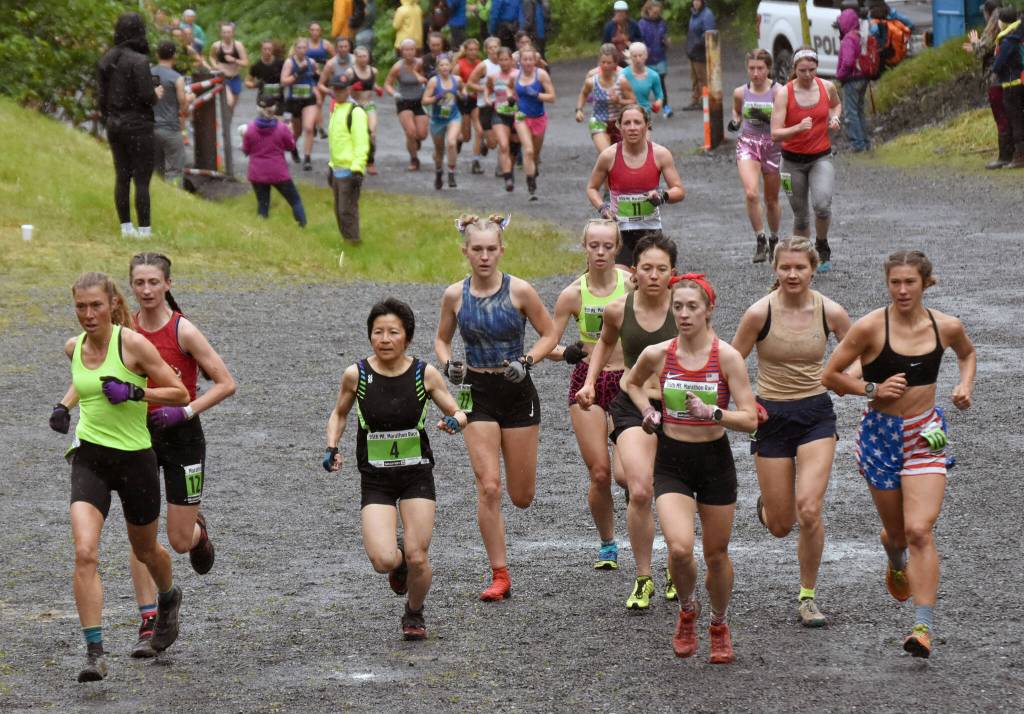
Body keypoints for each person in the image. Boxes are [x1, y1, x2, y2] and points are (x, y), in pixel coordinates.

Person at [822, 251, 976, 658]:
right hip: (881, 435)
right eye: (896, 282)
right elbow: (830, 376)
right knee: (897, 532)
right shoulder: (870, 328)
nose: (903, 290)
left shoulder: (946, 326)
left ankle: (922, 628)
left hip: (925, 433)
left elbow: (967, 353)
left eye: (910, 282)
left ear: (925, 283)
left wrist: (964, 386)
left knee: (920, 530)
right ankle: (894, 560)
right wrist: (871, 390)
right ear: (887, 284)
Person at [51, 272, 189, 681]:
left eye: (95, 306)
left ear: (112, 304)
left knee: (147, 550)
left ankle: (168, 597)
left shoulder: (132, 344)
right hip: (90, 458)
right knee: (85, 552)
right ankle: (94, 652)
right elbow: (85, 380)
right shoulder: (73, 347)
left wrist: (135, 393)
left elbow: (179, 393)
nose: (88, 314)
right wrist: (63, 405)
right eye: (80, 306)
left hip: (135, 460)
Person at [625, 273, 757, 662]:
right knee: (681, 549)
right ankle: (687, 610)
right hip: (672, 462)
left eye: (691, 307)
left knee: (716, 555)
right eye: (677, 307)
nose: (683, 314)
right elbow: (630, 384)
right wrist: (648, 411)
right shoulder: (659, 353)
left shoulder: (727, 357)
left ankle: (718, 623)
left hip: (715, 462)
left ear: (709, 311)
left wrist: (714, 412)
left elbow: (750, 418)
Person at [324, 298, 468, 640]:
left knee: (419, 557)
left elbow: (460, 410)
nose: (384, 339)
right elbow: (340, 413)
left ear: (407, 337)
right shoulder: (356, 374)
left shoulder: (424, 373)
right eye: (378, 332)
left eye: (393, 332)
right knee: (384, 561)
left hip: (416, 475)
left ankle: (414, 612)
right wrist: (332, 446)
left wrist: (454, 421)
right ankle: (398, 560)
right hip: (376, 479)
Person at [434, 214, 557, 601]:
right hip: (476, 393)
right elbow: (441, 338)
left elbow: (550, 333)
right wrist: (449, 361)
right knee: (488, 486)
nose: (484, 257)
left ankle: (502, 564)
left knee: (521, 497)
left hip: (517, 390)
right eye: (477, 250)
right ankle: (499, 574)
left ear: (502, 250)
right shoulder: (455, 295)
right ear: (465, 251)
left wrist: (529, 361)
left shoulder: (520, 291)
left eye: (491, 249)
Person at [730, 237, 852, 628]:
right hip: (772, 417)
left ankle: (807, 596)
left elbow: (864, 356)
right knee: (782, 525)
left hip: (816, 414)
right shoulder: (758, 314)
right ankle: (768, 508)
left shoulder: (830, 312)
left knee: (810, 509)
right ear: (775, 269)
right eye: (786, 267)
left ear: (813, 270)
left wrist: (849, 382)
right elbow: (731, 364)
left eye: (800, 267)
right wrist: (745, 406)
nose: (793, 274)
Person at [120, 253, 236, 657]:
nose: (147, 290)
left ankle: (198, 533)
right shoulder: (124, 331)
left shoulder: (183, 330)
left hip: (183, 436)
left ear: (168, 283)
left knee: (179, 540)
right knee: (141, 534)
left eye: (154, 282)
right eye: (140, 283)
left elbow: (225, 383)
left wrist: (184, 410)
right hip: (135, 436)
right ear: (131, 287)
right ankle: (150, 618)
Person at [576, 234, 678, 611]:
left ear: (673, 273)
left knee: (676, 492)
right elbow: (604, 343)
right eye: (646, 268)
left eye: (661, 269)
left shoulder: (685, 308)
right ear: (634, 271)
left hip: (678, 407)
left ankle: (676, 564)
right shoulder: (619, 309)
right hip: (633, 403)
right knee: (639, 490)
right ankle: (644, 577)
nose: (653, 275)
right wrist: (589, 383)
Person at [549, 220, 631, 569]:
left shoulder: (632, 284)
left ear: (616, 248)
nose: (600, 252)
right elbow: (546, 344)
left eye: (607, 246)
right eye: (593, 246)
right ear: (584, 247)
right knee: (600, 473)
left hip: (629, 380)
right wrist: (568, 353)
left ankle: (635, 497)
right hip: (588, 383)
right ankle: (608, 543)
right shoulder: (572, 294)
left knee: (625, 475)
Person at [586, 104, 685, 268]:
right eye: (627, 123)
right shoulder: (609, 156)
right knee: (621, 279)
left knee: (651, 276)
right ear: (619, 126)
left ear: (647, 125)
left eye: (637, 122)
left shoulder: (660, 154)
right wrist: (603, 208)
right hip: (619, 230)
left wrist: (662, 196)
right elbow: (591, 188)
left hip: (650, 228)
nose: (632, 128)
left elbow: (679, 190)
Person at [770, 48, 842, 273]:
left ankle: (821, 245)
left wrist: (835, 117)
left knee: (822, 205)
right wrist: (798, 128)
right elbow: (775, 133)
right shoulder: (785, 93)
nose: (808, 75)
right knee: (800, 217)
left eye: (812, 70)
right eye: (802, 71)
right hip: (791, 162)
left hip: (821, 157)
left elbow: (835, 105)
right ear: (794, 69)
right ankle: (801, 260)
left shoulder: (827, 86)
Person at [97, 12, 160, 239]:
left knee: (122, 176)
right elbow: (146, 95)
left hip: (114, 124)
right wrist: (157, 94)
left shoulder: (107, 59)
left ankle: (125, 227)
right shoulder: (139, 60)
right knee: (142, 178)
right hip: (138, 125)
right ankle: (144, 229)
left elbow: (102, 98)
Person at [730, 49, 782, 263]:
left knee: (771, 199)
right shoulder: (740, 92)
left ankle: (774, 239)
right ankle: (760, 238)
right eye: (752, 68)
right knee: (751, 193)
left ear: (768, 68)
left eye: (760, 68)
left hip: (773, 145)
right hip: (748, 143)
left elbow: (786, 117)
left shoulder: (779, 92)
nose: (756, 73)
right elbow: (736, 111)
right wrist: (735, 121)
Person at [242, 94, 308, 227]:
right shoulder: (281, 128)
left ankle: (262, 232)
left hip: (257, 173)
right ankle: (303, 227)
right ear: (274, 108)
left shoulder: (249, 129)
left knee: (263, 204)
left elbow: (246, 151)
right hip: (278, 172)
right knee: (295, 201)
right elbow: (291, 146)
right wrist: (290, 132)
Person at [963, 1, 1013, 168]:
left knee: (1001, 115)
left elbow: (983, 49)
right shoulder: (1011, 25)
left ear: (988, 12)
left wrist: (976, 43)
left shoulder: (994, 25)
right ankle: (1014, 153)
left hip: (997, 79)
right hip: (1012, 77)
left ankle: (1005, 156)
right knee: (1012, 115)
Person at [328, 75, 370, 244]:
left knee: (347, 211)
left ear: (348, 90)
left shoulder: (356, 112)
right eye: (335, 89)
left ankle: (353, 242)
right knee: (339, 211)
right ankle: (347, 241)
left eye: (341, 89)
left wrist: (357, 168)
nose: (337, 92)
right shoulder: (336, 109)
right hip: (337, 169)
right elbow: (336, 141)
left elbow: (361, 143)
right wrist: (331, 165)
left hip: (350, 171)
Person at [511, 46, 555, 200]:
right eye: (525, 59)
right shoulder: (515, 76)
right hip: (522, 117)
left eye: (531, 59)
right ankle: (530, 181)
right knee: (528, 150)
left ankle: (533, 169)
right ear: (520, 61)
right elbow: (511, 92)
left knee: (535, 153)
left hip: (539, 118)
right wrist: (511, 101)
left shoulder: (541, 75)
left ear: (535, 60)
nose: (528, 62)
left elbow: (552, 97)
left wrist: (537, 94)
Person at [576, 45, 636, 153]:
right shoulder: (592, 81)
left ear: (615, 64)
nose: (606, 66)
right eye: (603, 62)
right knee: (607, 154)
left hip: (619, 122)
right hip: (598, 121)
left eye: (609, 63)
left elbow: (633, 101)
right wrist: (579, 110)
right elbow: (583, 94)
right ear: (599, 63)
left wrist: (620, 101)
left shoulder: (622, 80)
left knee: (622, 157)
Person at [384, 39, 429, 171]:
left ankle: (416, 141)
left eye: (411, 49)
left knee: (422, 134)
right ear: (401, 52)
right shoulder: (398, 67)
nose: (409, 52)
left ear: (416, 51)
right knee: (410, 132)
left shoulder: (421, 63)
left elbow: (431, 77)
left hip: (420, 101)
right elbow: (387, 83)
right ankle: (414, 159)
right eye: (406, 50)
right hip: (404, 101)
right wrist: (394, 93)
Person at [423, 54, 466, 189]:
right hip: (437, 119)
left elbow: (463, 89)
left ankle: (451, 173)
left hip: (453, 116)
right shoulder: (434, 82)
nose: (444, 67)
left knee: (452, 143)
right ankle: (438, 172)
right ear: (437, 67)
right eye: (441, 65)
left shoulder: (457, 79)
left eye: (447, 64)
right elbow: (424, 100)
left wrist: (462, 95)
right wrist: (437, 97)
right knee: (439, 150)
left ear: (450, 66)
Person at [151, 41, 189, 188]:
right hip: (170, 128)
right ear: (174, 56)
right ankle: (175, 196)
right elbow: (182, 103)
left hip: (151, 127)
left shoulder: (151, 73)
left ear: (157, 54)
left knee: (156, 168)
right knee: (175, 169)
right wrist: (187, 102)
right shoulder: (177, 78)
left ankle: (157, 196)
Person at [281, 38, 321, 171]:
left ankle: (307, 159)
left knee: (309, 128)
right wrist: (297, 73)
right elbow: (284, 82)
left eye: (304, 48)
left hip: (309, 99)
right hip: (294, 101)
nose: (302, 50)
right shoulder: (289, 62)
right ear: (295, 48)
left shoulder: (312, 62)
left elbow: (317, 78)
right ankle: (293, 148)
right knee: (296, 132)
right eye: (299, 48)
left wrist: (316, 77)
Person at [992, 7, 1024, 168]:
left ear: (1003, 22)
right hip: (1020, 82)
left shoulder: (1008, 40)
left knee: (1015, 119)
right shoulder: (1018, 35)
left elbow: (997, 66)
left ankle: (1019, 157)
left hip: (1011, 84)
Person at [835, 8, 870, 153]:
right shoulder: (859, 36)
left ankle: (858, 144)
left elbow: (848, 61)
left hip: (851, 79)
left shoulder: (849, 39)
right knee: (859, 111)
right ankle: (865, 142)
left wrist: (840, 74)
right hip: (863, 77)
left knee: (850, 113)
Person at [484, 46, 518, 190]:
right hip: (499, 113)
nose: (504, 63)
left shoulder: (518, 75)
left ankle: (510, 167)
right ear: (497, 61)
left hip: (517, 114)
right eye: (501, 60)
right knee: (503, 145)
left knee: (515, 146)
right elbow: (488, 88)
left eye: (506, 59)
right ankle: (508, 178)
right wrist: (487, 97)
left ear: (511, 60)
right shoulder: (493, 76)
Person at [349, 46, 381, 175]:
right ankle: (355, 159)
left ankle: (371, 161)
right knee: (357, 134)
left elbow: (372, 84)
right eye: (360, 56)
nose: (363, 59)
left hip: (368, 105)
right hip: (355, 105)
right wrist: (352, 87)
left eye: (365, 56)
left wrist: (377, 88)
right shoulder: (350, 72)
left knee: (372, 133)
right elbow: (343, 91)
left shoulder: (374, 71)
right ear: (355, 58)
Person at [455, 39, 485, 174]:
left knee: (479, 131)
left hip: (476, 100)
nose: (473, 52)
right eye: (470, 50)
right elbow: (453, 85)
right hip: (463, 101)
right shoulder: (459, 65)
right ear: (465, 51)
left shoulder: (480, 64)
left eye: (475, 50)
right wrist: (461, 92)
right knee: (466, 137)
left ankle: (476, 161)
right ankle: (459, 140)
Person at [639, 0, 672, 116]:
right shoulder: (642, 23)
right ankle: (643, 108)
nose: (656, 15)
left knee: (661, 82)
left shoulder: (662, 22)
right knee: (646, 84)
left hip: (660, 57)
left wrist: (666, 42)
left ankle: (665, 106)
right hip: (647, 59)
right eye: (654, 12)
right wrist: (644, 50)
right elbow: (639, 40)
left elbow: (664, 36)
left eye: (658, 12)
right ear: (648, 11)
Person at [208, 22, 248, 112]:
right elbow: (211, 56)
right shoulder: (216, 45)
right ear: (221, 34)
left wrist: (234, 60)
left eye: (229, 32)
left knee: (232, 107)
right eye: (224, 32)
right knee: (229, 102)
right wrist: (215, 66)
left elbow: (245, 63)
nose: (226, 35)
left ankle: (227, 124)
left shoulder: (238, 45)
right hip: (223, 78)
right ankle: (225, 121)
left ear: (233, 33)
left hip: (235, 77)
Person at [685, 0, 716, 110]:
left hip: (701, 52)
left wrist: (697, 44)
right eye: (694, 0)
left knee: (703, 78)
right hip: (693, 51)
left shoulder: (707, 14)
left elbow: (709, 33)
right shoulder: (694, 14)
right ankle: (695, 100)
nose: (695, 2)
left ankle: (705, 101)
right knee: (694, 78)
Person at [623, 42, 664, 115]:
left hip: (645, 113)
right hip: (627, 114)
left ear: (646, 55)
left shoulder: (653, 75)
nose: (638, 59)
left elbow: (659, 95)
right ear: (630, 57)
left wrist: (658, 103)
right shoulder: (623, 74)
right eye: (634, 56)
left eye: (640, 55)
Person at [247, 40, 286, 114]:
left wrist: (284, 83)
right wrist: (255, 85)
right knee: (265, 122)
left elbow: (288, 77)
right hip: (263, 99)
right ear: (261, 50)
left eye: (269, 49)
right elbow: (247, 82)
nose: (267, 51)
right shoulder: (256, 65)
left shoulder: (281, 63)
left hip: (278, 99)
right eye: (265, 49)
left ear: (273, 50)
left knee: (278, 122)